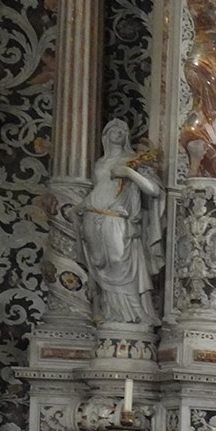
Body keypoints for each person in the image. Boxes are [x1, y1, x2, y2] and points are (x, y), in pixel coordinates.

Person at [81, 119, 164, 325]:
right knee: (100, 264)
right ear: (105, 135)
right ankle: (111, 313)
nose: (119, 132)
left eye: (123, 130)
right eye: (114, 129)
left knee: (119, 260)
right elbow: (99, 189)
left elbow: (153, 190)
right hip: (94, 218)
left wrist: (129, 172)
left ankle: (135, 313)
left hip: (118, 220)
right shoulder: (99, 163)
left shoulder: (133, 160)